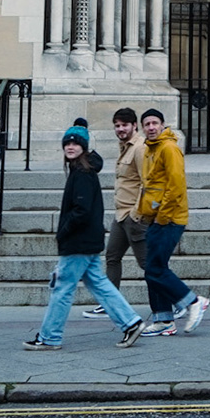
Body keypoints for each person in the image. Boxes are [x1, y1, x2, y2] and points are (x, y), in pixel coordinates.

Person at [24, 119, 147, 351]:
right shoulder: (83, 169)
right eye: (67, 143)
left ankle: (50, 337)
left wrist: (63, 231)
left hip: (79, 240)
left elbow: (81, 210)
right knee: (99, 284)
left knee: (61, 287)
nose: (70, 147)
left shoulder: (82, 172)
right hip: (87, 239)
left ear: (84, 147)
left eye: (76, 144)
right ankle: (131, 322)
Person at [136, 108, 209, 335]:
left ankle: (193, 302)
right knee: (153, 269)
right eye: (146, 124)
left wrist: (162, 217)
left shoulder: (169, 148)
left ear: (162, 125)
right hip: (156, 217)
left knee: (154, 269)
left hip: (168, 219)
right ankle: (163, 319)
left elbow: (176, 186)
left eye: (154, 123)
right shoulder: (151, 149)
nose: (150, 127)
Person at [82, 107, 148, 321]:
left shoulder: (139, 148)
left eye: (124, 125)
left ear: (134, 126)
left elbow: (146, 184)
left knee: (148, 264)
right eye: (117, 125)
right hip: (121, 215)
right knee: (112, 257)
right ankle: (109, 303)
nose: (120, 129)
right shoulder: (125, 147)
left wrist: (137, 214)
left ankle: (179, 301)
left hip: (132, 215)